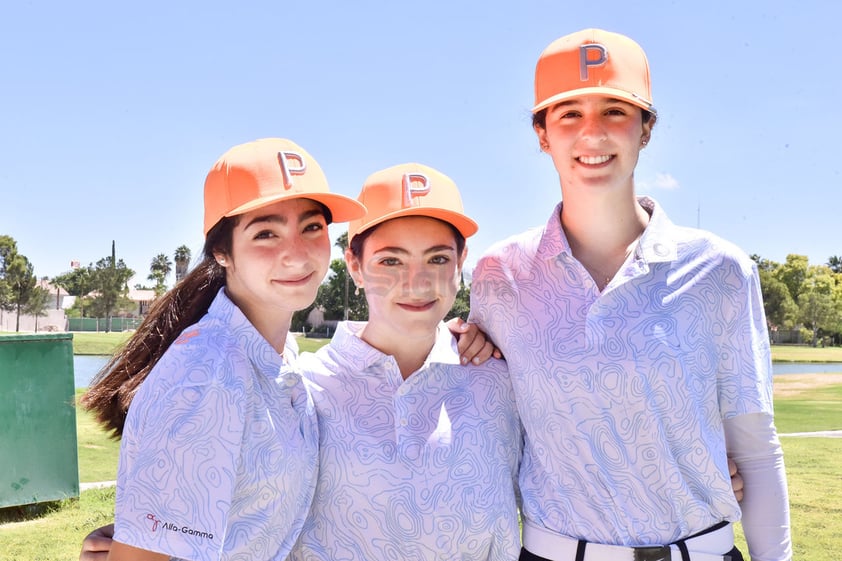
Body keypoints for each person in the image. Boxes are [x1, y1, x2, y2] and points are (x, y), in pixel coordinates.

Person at [469, 29, 792, 561]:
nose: (591, 134)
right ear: (542, 134)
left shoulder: (721, 270)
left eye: (616, 111)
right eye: (568, 113)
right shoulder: (499, 273)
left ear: (646, 130)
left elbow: (756, 452)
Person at [80, 137, 366, 561]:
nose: (296, 254)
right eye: (266, 233)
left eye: (312, 228)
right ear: (222, 251)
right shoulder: (206, 369)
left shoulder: (276, 354)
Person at [289, 164, 522, 560]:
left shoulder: (501, 380)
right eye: (391, 262)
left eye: (437, 259)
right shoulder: (304, 388)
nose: (416, 282)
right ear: (355, 266)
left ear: (461, 262)